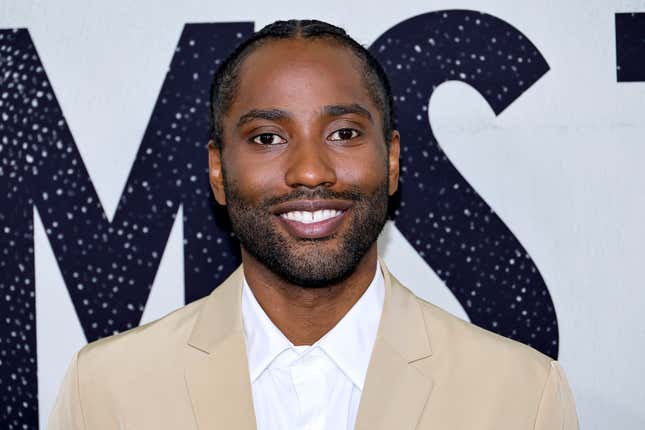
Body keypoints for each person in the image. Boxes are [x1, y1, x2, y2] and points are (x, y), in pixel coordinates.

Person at [49, 19, 579, 429]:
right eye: (267, 138)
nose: (309, 171)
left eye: (344, 133)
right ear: (217, 171)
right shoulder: (106, 391)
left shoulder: (521, 395)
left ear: (392, 161)